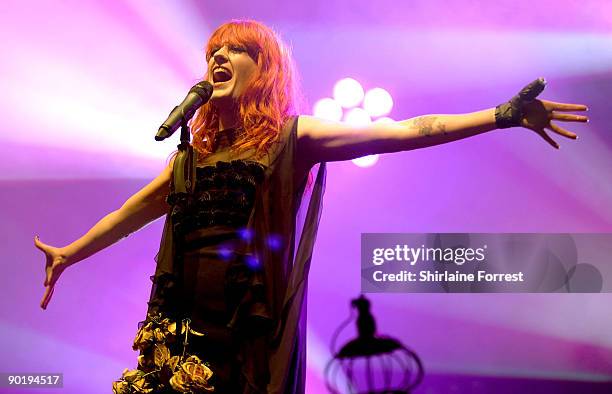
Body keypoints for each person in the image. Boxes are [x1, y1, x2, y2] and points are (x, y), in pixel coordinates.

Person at [34, 19, 588, 394]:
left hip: (242, 326)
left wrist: (500, 114)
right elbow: (131, 212)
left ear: (263, 68)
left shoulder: (293, 138)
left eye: (234, 51)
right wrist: (70, 253)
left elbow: (404, 132)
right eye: (212, 54)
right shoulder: (192, 155)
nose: (218, 59)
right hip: (179, 326)